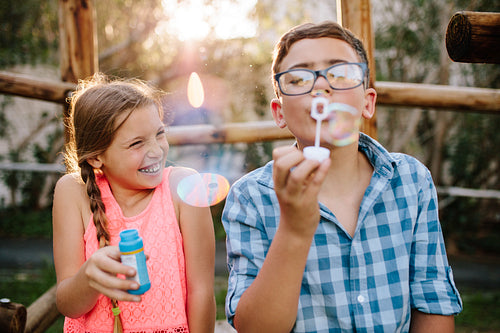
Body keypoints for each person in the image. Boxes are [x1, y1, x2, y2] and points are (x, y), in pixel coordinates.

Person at [222, 21, 462, 332]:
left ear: (367, 102)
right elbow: (255, 327)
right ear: (279, 112)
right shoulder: (251, 197)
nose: (321, 86)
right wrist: (294, 231)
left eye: (341, 73)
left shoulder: (411, 181)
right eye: (298, 78)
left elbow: (434, 304)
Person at [52, 73, 216, 333]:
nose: (156, 151)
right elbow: (68, 305)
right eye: (137, 143)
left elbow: (202, 292)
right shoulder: (74, 192)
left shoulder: (185, 188)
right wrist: (88, 277)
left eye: (159, 134)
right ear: (96, 157)